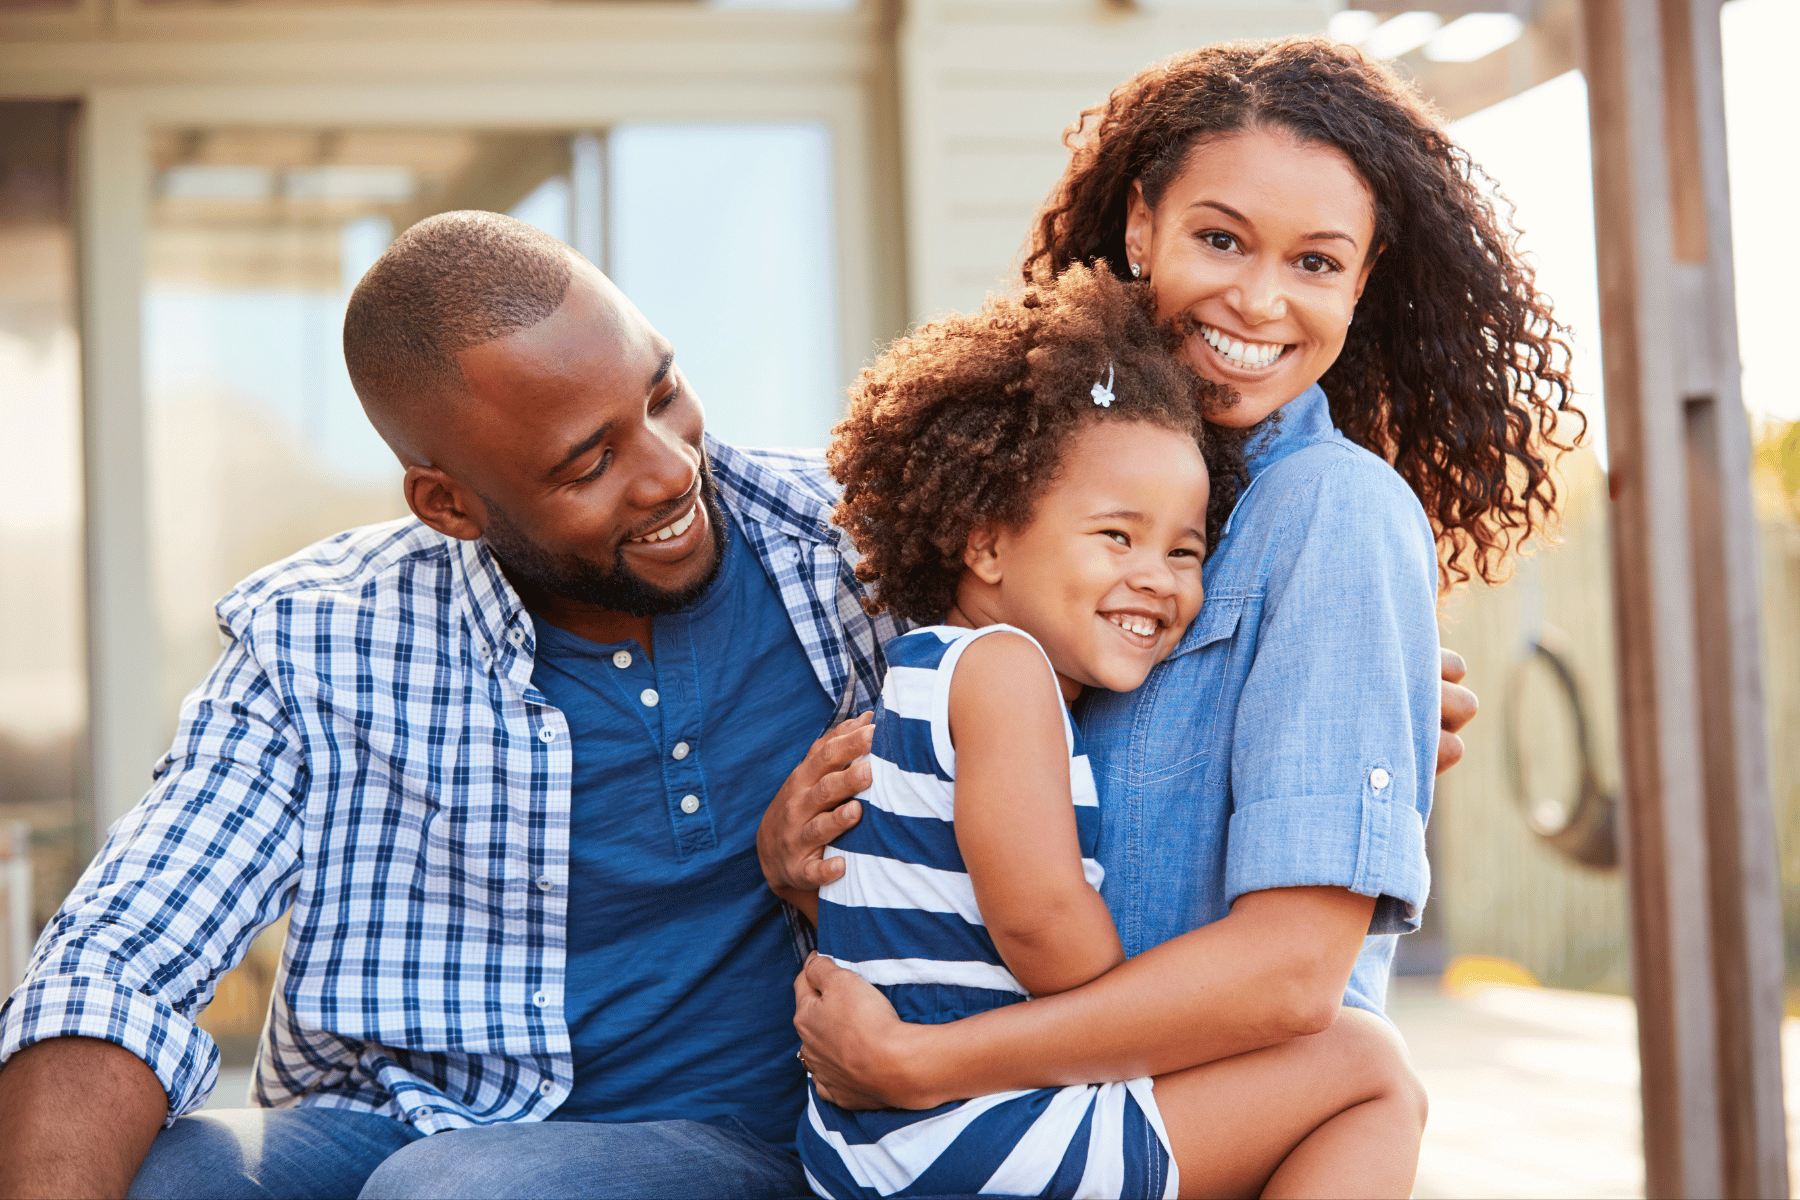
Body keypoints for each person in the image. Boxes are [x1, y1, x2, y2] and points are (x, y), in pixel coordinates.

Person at [770, 38, 1576, 1193]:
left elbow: (1291, 980)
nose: (1258, 298)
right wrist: (798, 852)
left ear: (1364, 278)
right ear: (1141, 225)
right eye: (1219, 237)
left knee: (1368, 1068)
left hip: (1112, 1117)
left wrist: (926, 1065)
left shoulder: (1335, 516)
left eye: (1316, 260)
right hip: (1026, 1129)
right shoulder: (1038, 489)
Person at [0, 211, 897, 1200]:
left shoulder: (861, 550)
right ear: (449, 506)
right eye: (589, 463)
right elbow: (119, 961)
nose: (671, 467)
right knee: (161, 1179)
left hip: (735, 1149)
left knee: (459, 1190)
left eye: (663, 393)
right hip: (401, 1129)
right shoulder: (323, 639)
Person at [800, 263, 1424, 1200]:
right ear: (988, 541)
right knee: (1367, 1068)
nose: (1160, 578)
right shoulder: (1005, 674)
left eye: (1185, 549)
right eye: (1116, 538)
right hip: (964, 1135)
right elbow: (1041, 921)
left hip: (879, 1138)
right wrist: (1139, 999)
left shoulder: (924, 677)